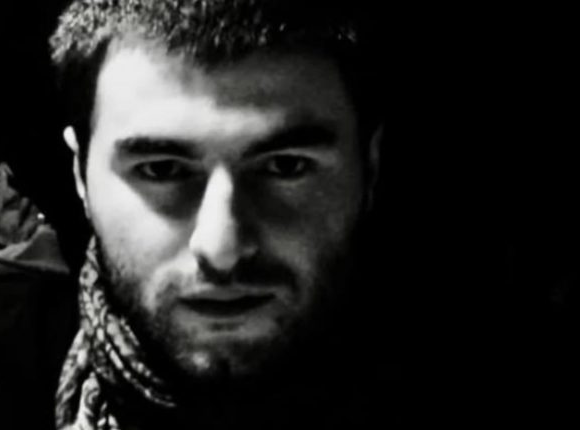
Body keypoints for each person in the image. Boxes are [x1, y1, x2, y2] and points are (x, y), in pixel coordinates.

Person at [49, 1, 382, 428]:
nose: (221, 249)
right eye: (162, 170)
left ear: (370, 167)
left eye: (285, 166)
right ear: (79, 174)